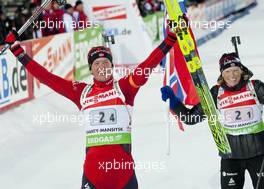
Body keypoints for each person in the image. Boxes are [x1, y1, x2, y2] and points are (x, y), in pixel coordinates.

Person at [5, 29, 177, 189]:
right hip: (93, 176)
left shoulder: (125, 87)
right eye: (96, 63)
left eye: (105, 62)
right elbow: (47, 78)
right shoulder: (81, 92)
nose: (101, 66)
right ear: (91, 70)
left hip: (123, 175)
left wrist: (169, 40)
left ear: (112, 66)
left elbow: (146, 66)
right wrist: (19, 53)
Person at [161, 52, 264, 189]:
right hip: (230, 156)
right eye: (227, 71)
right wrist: (173, 101)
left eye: (235, 70)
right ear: (222, 74)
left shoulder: (255, 87)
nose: (232, 75)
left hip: (259, 154)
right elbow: (191, 117)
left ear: (241, 70)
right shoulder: (216, 93)